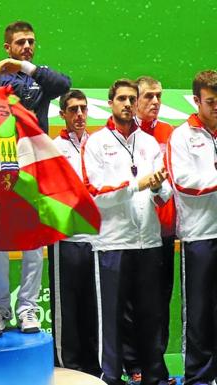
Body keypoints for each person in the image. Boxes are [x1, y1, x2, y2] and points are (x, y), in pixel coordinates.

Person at [0, 20, 71, 333]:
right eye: (20, 43)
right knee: (0, 243)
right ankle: (1, 308)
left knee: (33, 243)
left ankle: (28, 309)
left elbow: (64, 85)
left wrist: (27, 68)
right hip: (1, 168)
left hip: (35, 166)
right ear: (7, 46)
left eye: (31, 41)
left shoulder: (40, 76)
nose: (27, 47)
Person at [82, 79, 171, 385]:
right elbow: (94, 195)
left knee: (151, 316)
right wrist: (138, 184)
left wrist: (158, 185)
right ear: (110, 103)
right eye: (121, 98)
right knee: (112, 318)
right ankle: (110, 376)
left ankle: (153, 376)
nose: (127, 104)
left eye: (132, 99)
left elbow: (166, 193)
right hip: (113, 243)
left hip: (148, 242)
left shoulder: (147, 143)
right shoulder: (95, 143)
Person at [122, 76, 176, 385]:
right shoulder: (129, 135)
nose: (155, 102)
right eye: (148, 97)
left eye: (158, 96)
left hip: (166, 231)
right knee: (131, 302)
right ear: (135, 101)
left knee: (160, 301)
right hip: (134, 231)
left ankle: (157, 366)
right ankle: (134, 366)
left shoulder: (172, 133)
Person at [167, 70, 217, 385]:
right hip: (198, 236)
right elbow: (184, 183)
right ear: (196, 100)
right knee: (199, 313)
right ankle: (198, 377)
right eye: (211, 102)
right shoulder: (181, 136)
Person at [48, 90, 100, 377]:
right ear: (63, 115)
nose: (79, 115)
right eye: (73, 110)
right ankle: (68, 367)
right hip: (66, 239)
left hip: (96, 240)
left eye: (83, 109)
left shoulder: (98, 145)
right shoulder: (55, 147)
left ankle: (93, 367)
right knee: (66, 308)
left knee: (92, 307)